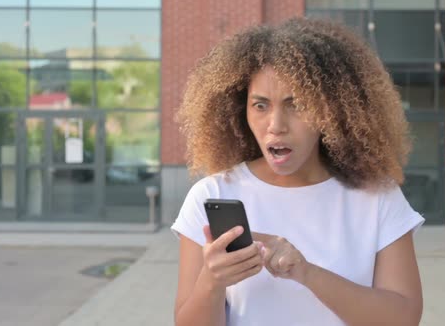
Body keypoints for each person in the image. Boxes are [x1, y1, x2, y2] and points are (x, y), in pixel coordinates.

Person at [171, 17, 425, 326]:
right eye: (260, 105)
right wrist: (212, 281)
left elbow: (404, 318)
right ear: (241, 110)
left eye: (297, 104)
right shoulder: (212, 194)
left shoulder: (378, 197)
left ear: (332, 110)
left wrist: (306, 273)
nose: (276, 126)